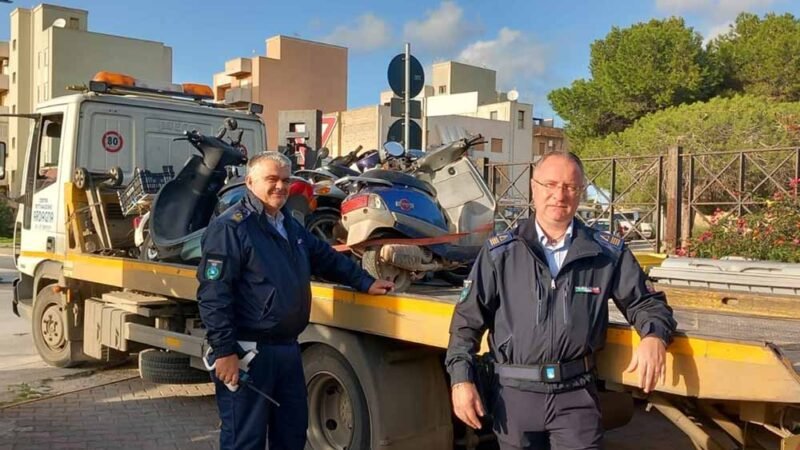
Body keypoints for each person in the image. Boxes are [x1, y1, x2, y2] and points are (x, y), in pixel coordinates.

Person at [445, 151, 677, 450]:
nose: (559, 195)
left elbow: (646, 303)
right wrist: (461, 380)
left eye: (569, 187)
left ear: (580, 193)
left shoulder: (605, 253)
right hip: (515, 396)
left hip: (575, 397)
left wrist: (654, 336)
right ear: (533, 187)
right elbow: (466, 323)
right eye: (550, 184)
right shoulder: (500, 253)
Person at [197, 152, 393, 450]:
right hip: (249, 352)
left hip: (288, 350)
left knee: (291, 436)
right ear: (250, 182)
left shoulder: (288, 224)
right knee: (243, 441)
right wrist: (224, 351)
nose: (280, 187)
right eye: (271, 179)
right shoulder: (231, 227)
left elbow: (325, 257)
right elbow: (214, 294)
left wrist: (364, 281)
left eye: (286, 180)